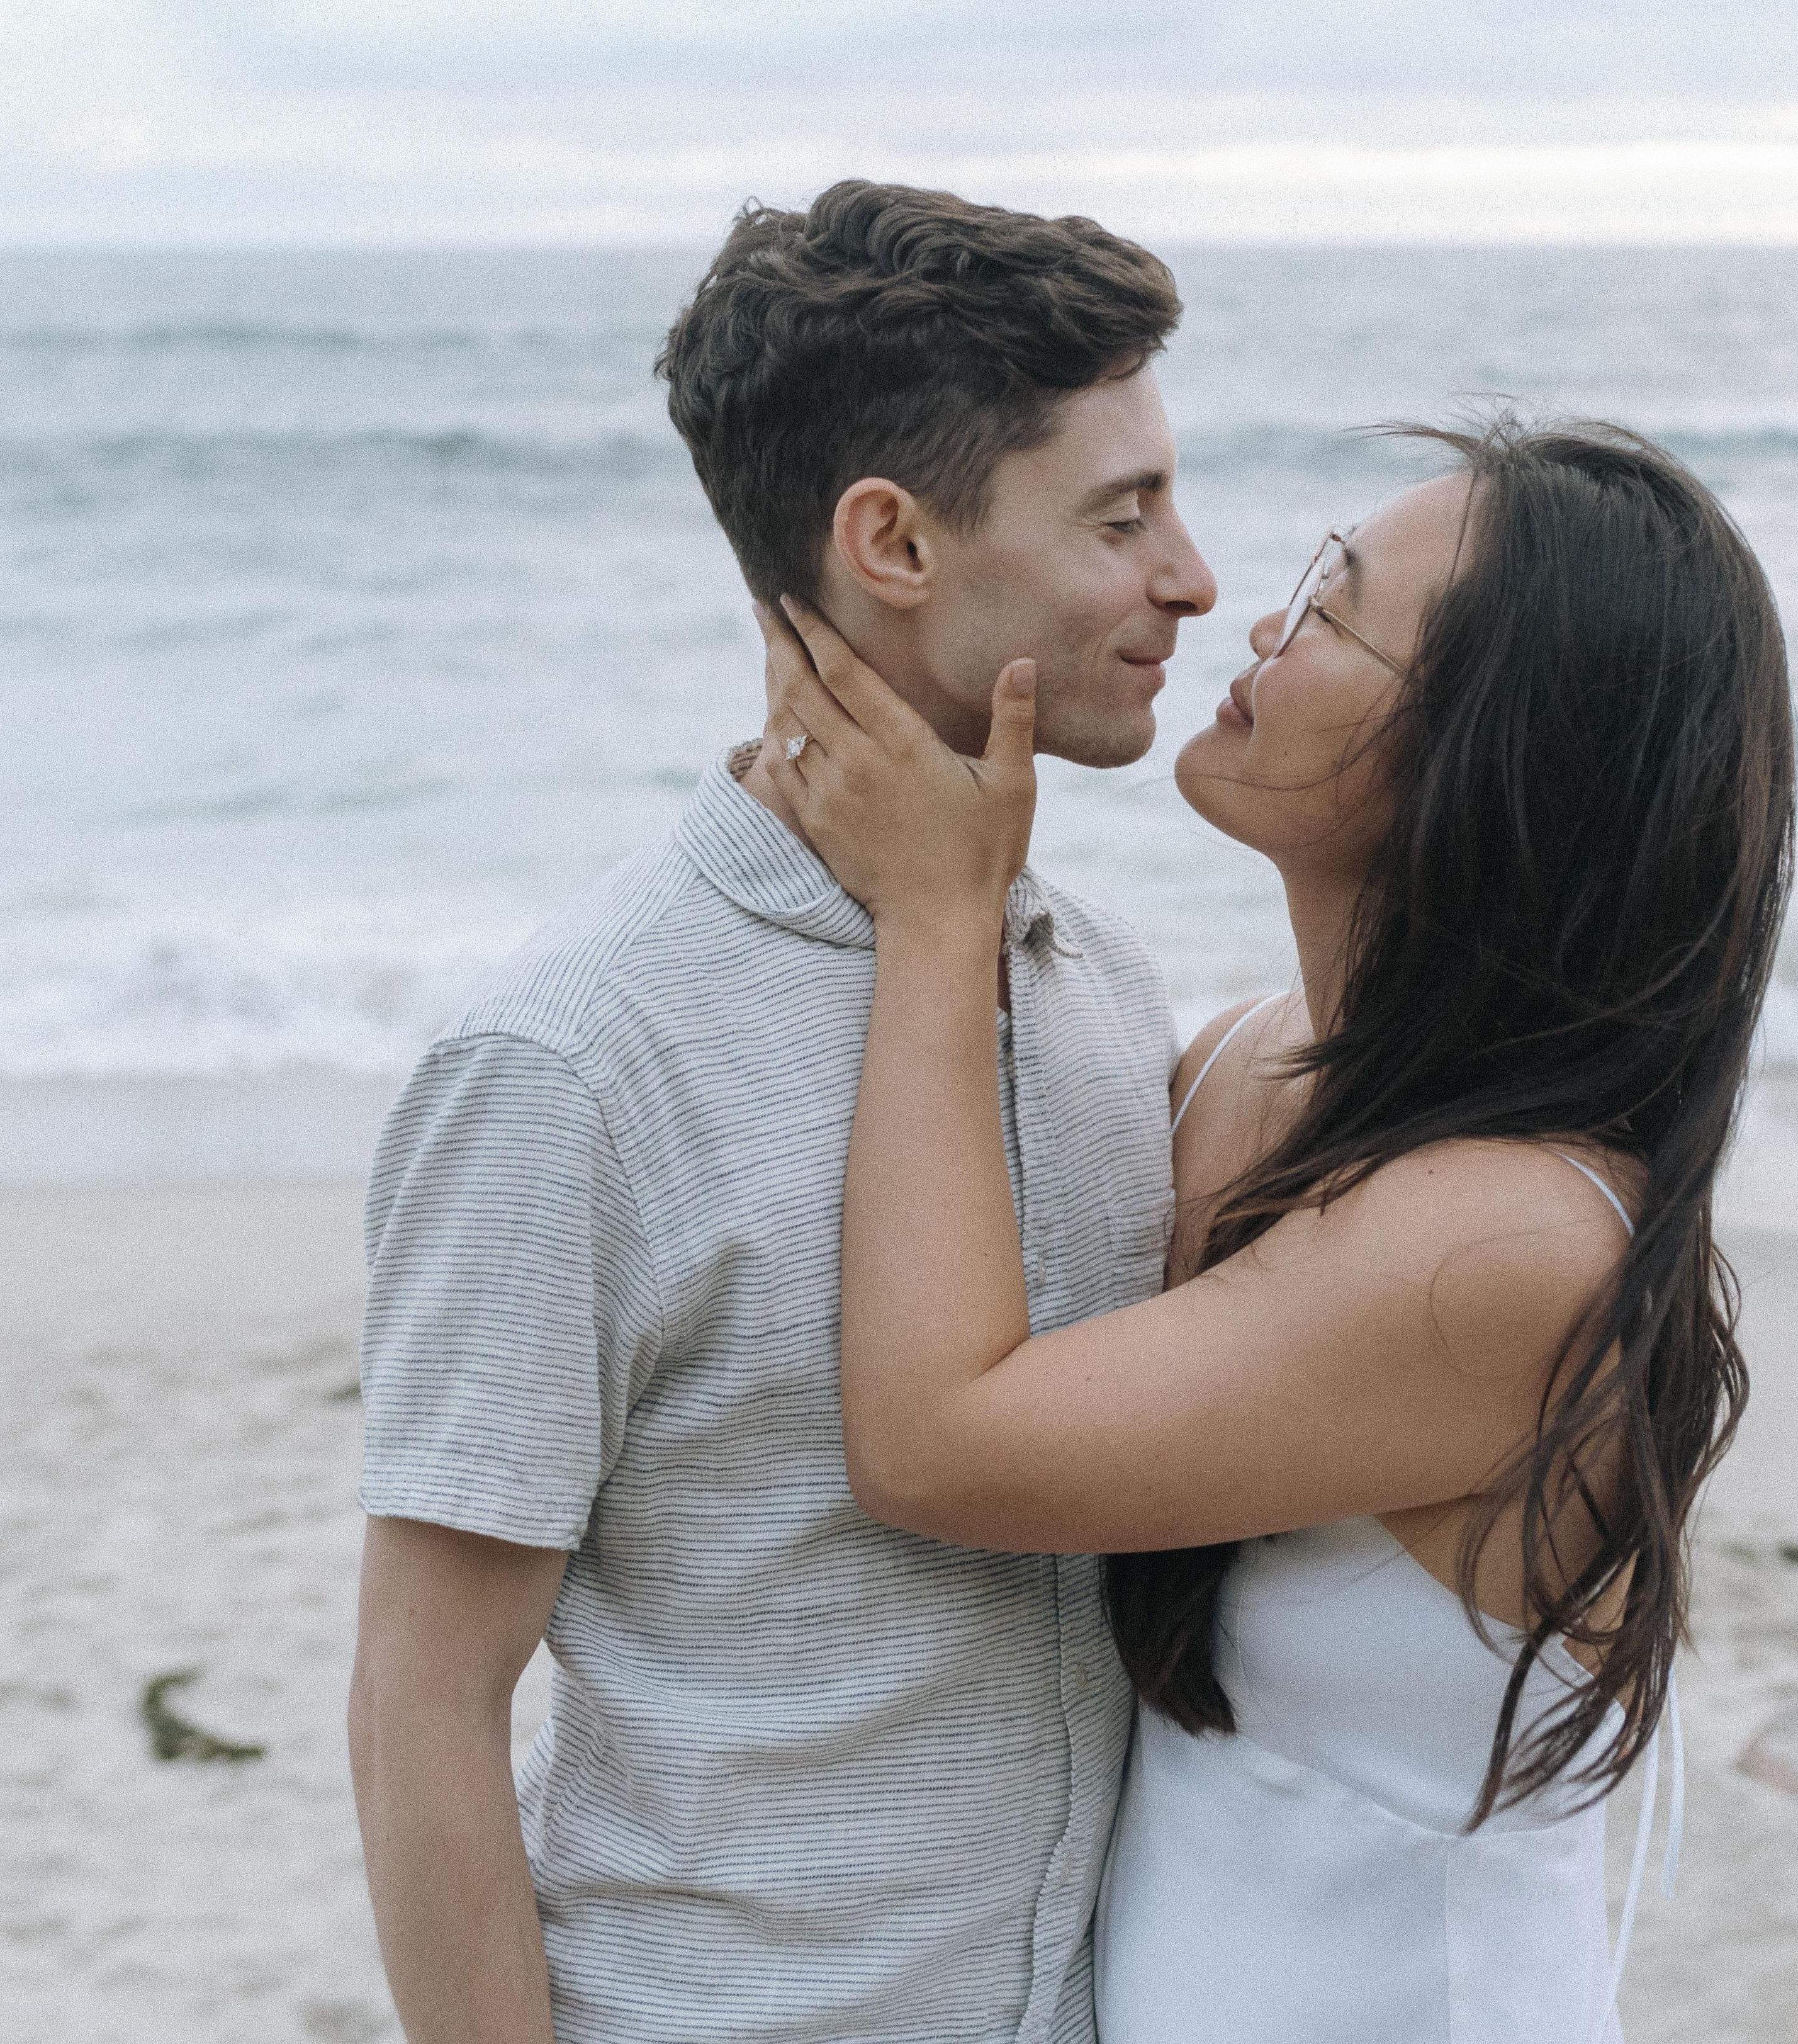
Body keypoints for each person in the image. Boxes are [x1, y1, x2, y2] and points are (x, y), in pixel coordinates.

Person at [756, 416, 1795, 2044]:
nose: (1260, 622)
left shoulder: (1508, 1245)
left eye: (1335, 606)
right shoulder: (1246, 1064)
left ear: (1487, 752)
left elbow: (939, 1442)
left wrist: (941, 919)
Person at [346, 181, 1216, 2044]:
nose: (1193, 579)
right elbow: (426, 1692)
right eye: (1122, 516)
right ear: (891, 541)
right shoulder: (571, 1064)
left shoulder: (1107, 995)